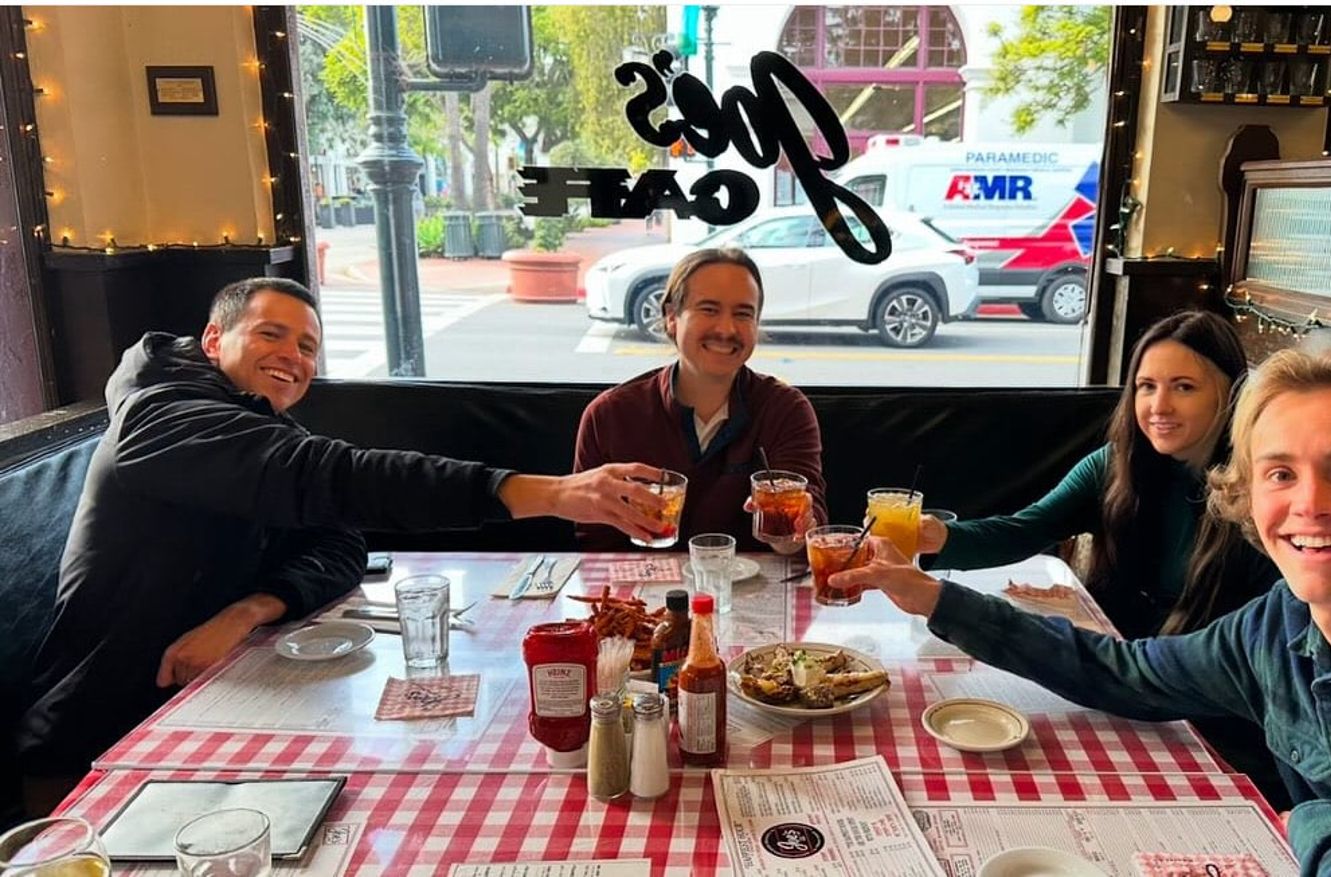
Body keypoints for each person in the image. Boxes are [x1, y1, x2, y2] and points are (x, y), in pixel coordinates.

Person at [16, 277, 669, 812]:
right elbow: (338, 478)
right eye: (272, 333)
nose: (294, 357)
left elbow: (341, 540)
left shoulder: (255, 422)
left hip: (218, 701)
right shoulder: (164, 416)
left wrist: (251, 608)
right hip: (100, 737)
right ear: (214, 339)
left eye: (307, 346)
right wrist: (547, 493)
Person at [834, 347, 1331, 873]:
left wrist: (1315, 820)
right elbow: (1123, 672)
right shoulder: (1278, 626)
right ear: (1248, 496)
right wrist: (933, 597)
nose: (1311, 503)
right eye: (1281, 473)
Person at [917, 310, 1276, 639]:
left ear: (1230, 393)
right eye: (1146, 386)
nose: (1158, 406)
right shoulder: (1114, 465)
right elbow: (1024, 530)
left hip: (1207, 680)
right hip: (1114, 658)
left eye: (1184, 387)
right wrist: (937, 537)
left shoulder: (1263, 491)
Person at [573, 248, 827, 553]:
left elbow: (808, 530)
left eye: (743, 313)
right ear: (671, 318)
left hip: (754, 591)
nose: (726, 329)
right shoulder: (610, 415)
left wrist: (795, 528)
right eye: (709, 309)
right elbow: (593, 542)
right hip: (644, 595)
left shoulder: (785, 410)